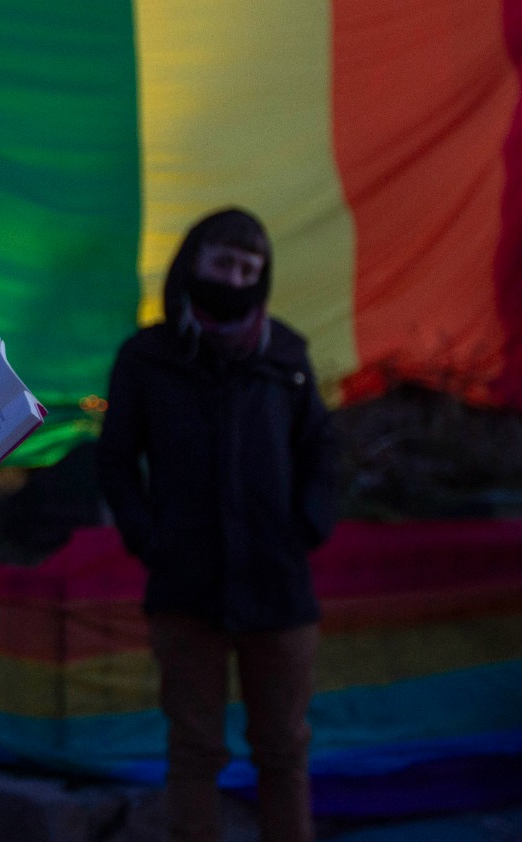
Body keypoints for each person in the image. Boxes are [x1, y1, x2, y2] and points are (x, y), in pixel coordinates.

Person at [95, 208, 337, 842]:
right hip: (185, 586)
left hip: (279, 587)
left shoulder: (286, 355)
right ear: (193, 263)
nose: (234, 279)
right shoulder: (146, 357)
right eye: (223, 263)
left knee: (284, 749)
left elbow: (320, 449)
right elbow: (115, 460)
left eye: (248, 269)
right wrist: (148, 537)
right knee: (195, 749)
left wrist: (309, 524)